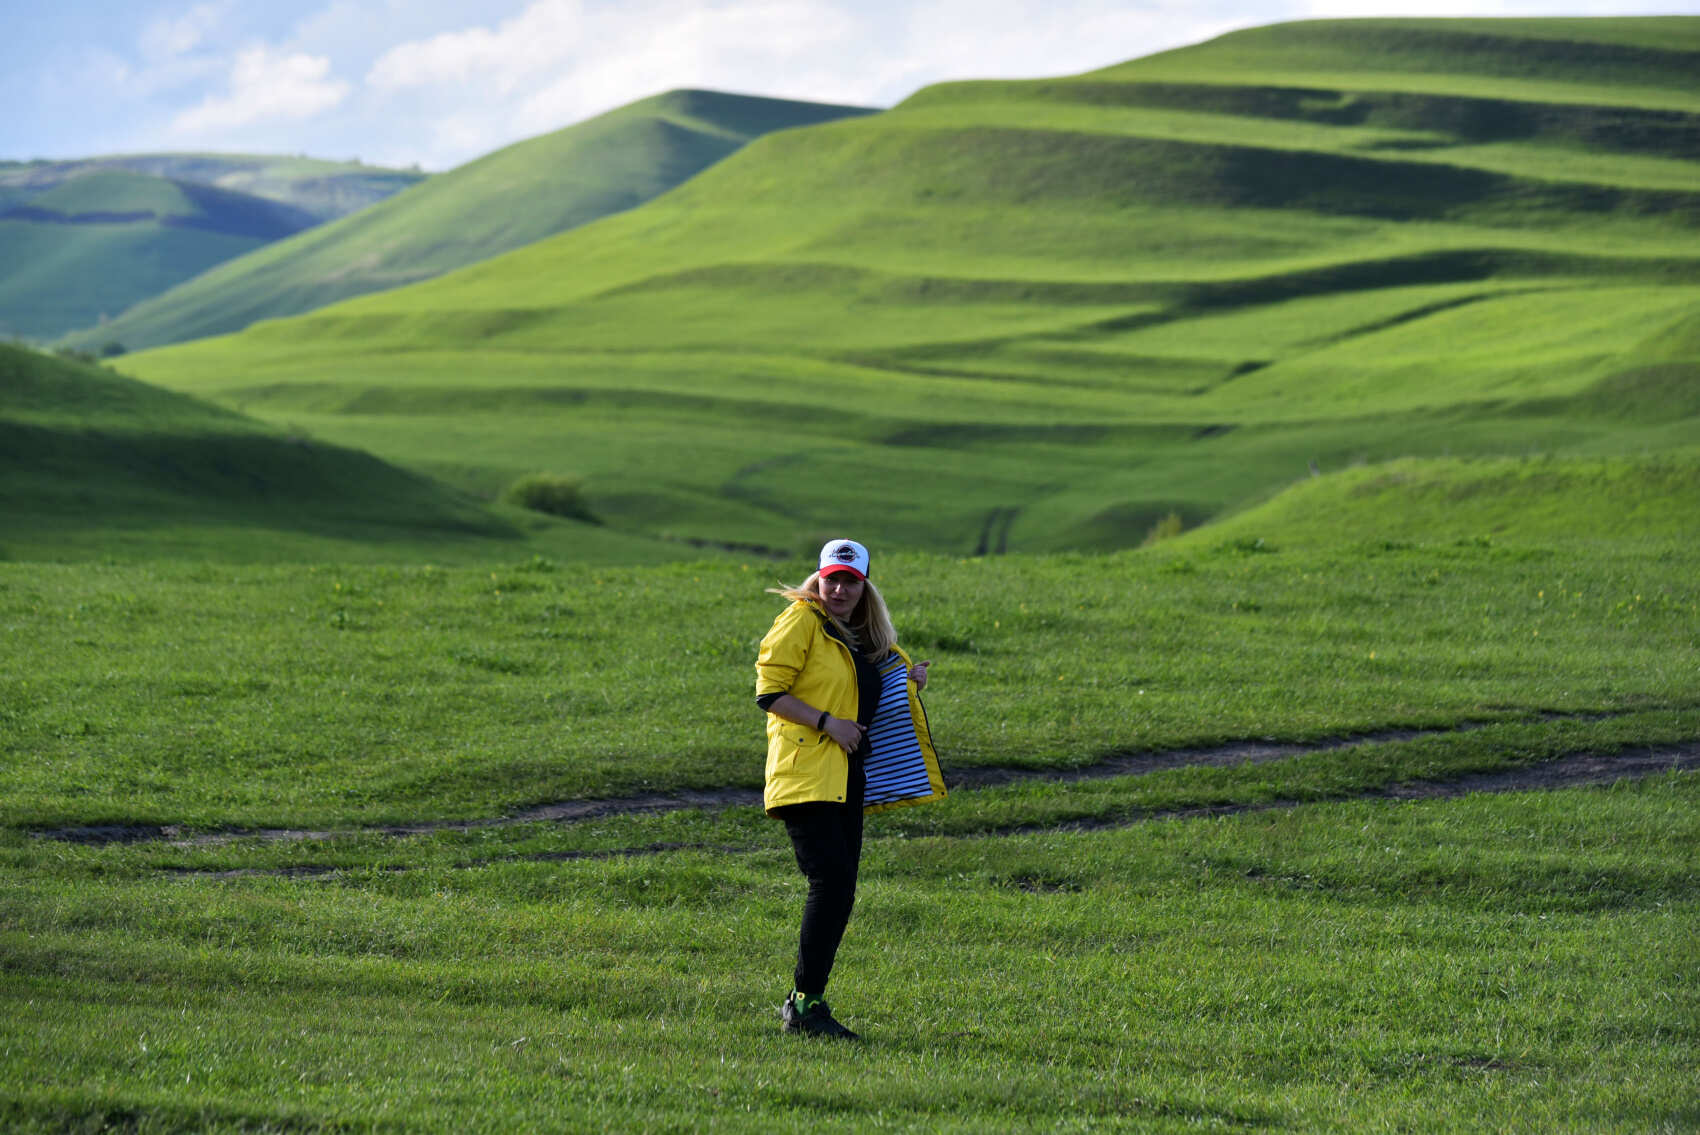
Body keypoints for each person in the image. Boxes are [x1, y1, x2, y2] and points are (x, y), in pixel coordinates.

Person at [755, 538, 946, 1039]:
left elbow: (861, 687)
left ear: (865, 588)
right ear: (817, 579)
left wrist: (908, 681)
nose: (838, 589)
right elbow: (770, 692)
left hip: (846, 775)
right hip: (806, 772)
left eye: (850, 581)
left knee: (841, 890)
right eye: (831, 579)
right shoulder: (801, 619)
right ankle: (803, 1006)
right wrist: (828, 723)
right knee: (831, 883)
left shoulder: (852, 633)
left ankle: (807, 1003)